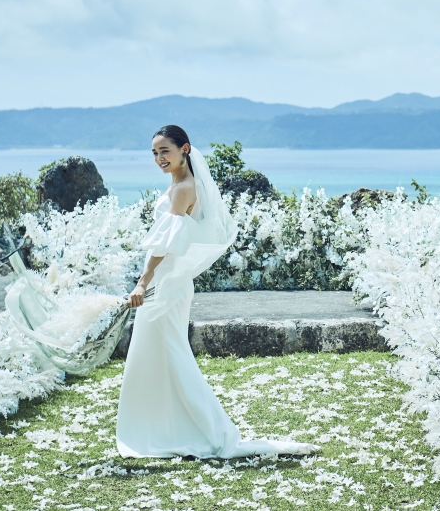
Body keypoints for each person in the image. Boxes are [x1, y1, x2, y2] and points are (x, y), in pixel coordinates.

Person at [115, 125, 317, 458]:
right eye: (154, 153)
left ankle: (209, 432)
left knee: (172, 355)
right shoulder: (178, 185)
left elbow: (164, 245)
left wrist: (142, 282)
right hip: (168, 282)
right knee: (157, 356)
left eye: (165, 151)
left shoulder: (184, 189)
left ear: (185, 150)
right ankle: (167, 431)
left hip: (165, 284)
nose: (159, 158)